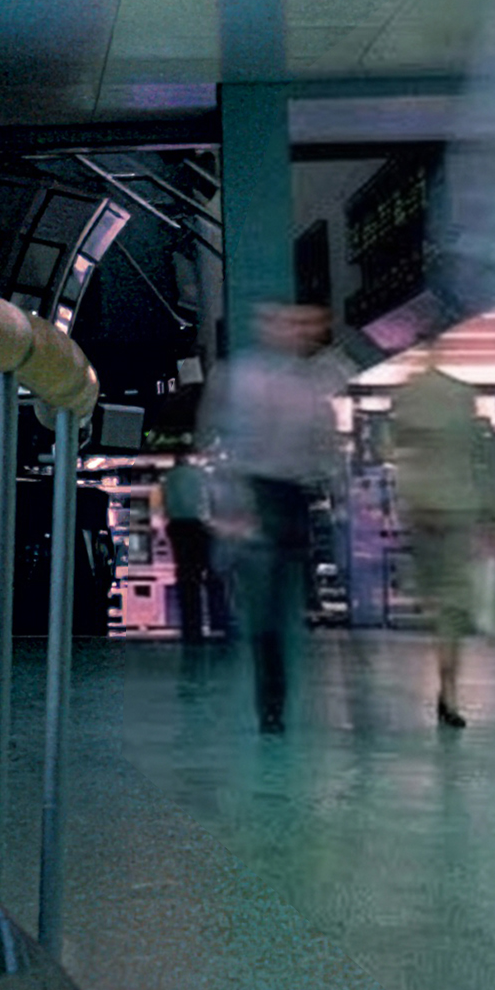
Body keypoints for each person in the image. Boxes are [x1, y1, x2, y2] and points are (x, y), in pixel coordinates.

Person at [198, 301, 342, 730]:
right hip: (256, 494)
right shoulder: (241, 377)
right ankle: (272, 700)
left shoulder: (308, 383)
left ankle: (273, 694)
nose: (295, 331)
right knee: (267, 605)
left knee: (277, 604)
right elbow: (213, 439)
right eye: (286, 322)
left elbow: (324, 449)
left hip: (286, 498)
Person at [387, 338, 495, 729]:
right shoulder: (461, 396)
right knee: (452, 605)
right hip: (457, 508)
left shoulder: (405, 398)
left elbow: (392, 452)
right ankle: (448, 690)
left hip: (422, 511)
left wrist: (408, 499)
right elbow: (481, 462)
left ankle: (448, 686)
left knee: (439, 600)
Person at [159, 445, 218, 646]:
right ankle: (212, 621)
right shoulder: (199, 475)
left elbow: (166, 505)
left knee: (186, 578)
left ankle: (190, 627)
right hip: (198, 527)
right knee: (206, 574)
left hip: (178, 528)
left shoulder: (168, 478)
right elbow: (206, 502)